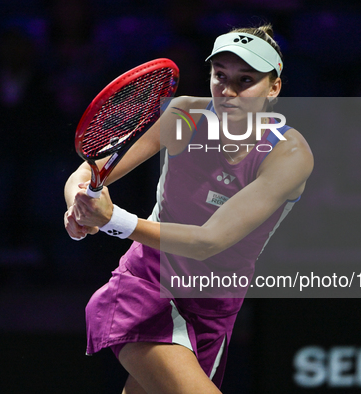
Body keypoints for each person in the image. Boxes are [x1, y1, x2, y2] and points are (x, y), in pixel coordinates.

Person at [64, 24, 313, 394]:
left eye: (246, 80)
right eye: (220, 76)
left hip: (214, 311)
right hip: (147, 287)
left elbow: (209, 241)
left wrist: (113, 220)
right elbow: (88, 171)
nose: (228, 91)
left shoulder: (288, 154)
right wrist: (79, 206)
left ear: (273, 87)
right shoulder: (182, 116)